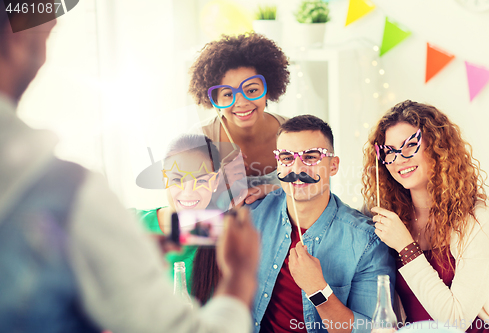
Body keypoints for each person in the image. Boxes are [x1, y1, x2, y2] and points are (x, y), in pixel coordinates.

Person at [0, 3, 260, 333]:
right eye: (46, 30)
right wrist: (240, 275)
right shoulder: (74, 198)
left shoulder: (219, 227)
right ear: (15, 38)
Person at [248, 115, 395, 333]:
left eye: (311, 157)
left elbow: (372, 330)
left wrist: (318, 289)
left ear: (333, 165)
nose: (297, 168)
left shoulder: (367, 241)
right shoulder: (252, 217)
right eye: (287, 157)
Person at [361, 100, 489, 332]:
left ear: (438, 148)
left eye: (410, 145)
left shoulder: (481, 220)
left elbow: (456, 321)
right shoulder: (386, 214)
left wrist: (406, 247)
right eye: (389, 151)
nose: (399, 159)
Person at [188, 32, 290, 204]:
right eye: (228, 94)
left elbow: (318, 196)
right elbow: (188, 211)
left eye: (251, 90)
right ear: (214, 99)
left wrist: (275, 191)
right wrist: (221, 185)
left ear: (268, 89)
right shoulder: (199, 141)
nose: (242, 102)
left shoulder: (292, 132)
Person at [135, 134, 223, 304]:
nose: (188, 192)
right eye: (177, 179)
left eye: (202, 180)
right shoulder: (133, 224)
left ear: (215, 181)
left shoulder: (227, 237)